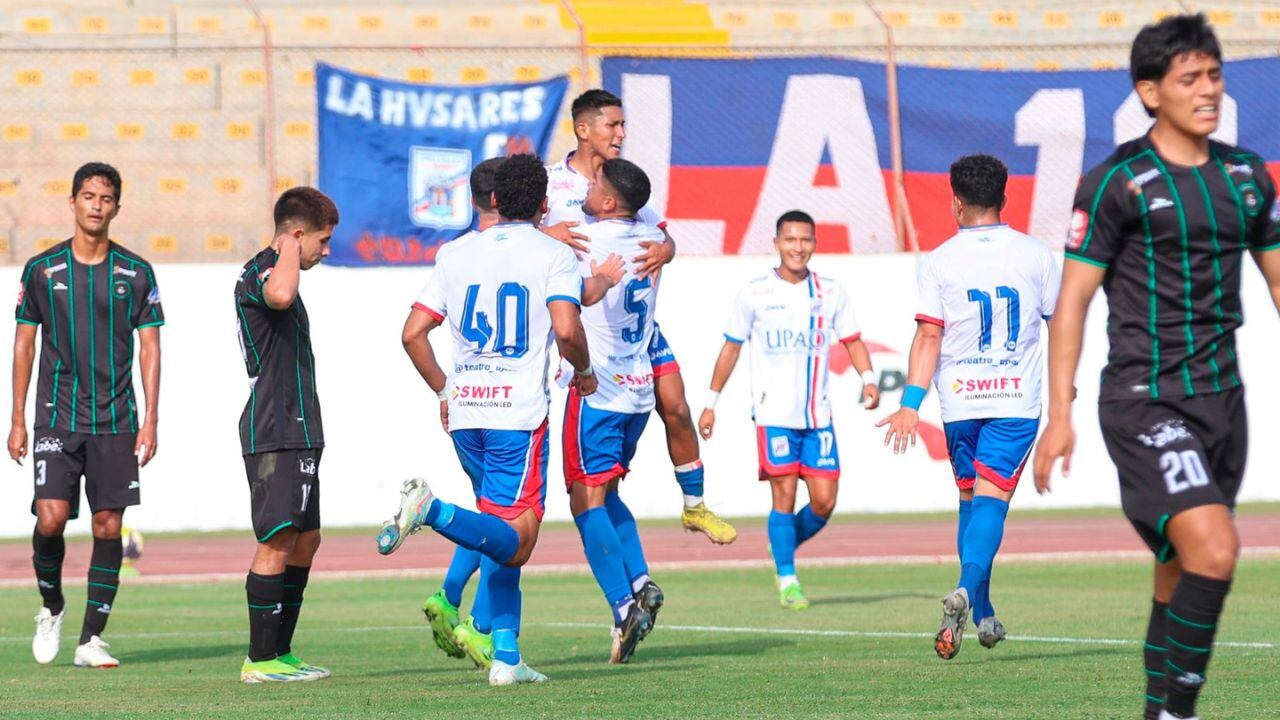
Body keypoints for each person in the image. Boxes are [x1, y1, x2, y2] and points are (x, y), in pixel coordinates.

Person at [1033, 14, 1280, 720]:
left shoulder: (1246, 176)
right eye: (1189, 79)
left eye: (1214, 75)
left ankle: (1153, 711)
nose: (1208, 91)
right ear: (1149, 91)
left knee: (1177, 574)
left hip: (1224, 405)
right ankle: (1178, 713)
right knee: (1215, 550)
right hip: (1145, 403)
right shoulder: (1117, 182)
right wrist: (1060, 416)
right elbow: (1074, 302)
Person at [376, 153, 597, 686]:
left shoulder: (455, 253)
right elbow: (566, 328)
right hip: (517, 416)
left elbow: (412, 333)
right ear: (544, 203)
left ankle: (506, 655)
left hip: (467, 410)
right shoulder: (553, 253)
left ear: (495, 199)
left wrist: (445, 388)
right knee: (516, 540)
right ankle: (433, 511)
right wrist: (585, 371)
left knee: (500, 530)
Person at [877, 154, 1060, 659]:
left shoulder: (938, 259)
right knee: (991, 504)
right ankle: (965, 591)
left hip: (961, 400)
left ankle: (981, 611)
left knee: (970, 503)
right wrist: (1063, 398)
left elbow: (929, 335)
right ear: (1005, 197)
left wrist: (910, 404)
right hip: (1015, 399)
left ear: (955, 202)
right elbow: (1057, 326)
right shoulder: (1037, 255)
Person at [542, 89, 737, 545]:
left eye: (624, 124)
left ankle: (695, 505)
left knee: (677, 406)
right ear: (584, 129)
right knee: (600, 483)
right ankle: (626, 575)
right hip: (590, 323)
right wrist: (544, 231)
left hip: (637, 327)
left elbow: (661, 236)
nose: (622, 133)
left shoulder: (621, 182)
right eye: (613, 124)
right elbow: (517, 231)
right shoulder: (554, 184)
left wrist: (666, 251)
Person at [11, 162, 163, 669]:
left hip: (117, 420)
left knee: (106, 526)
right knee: (51, 519)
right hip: (56, 416)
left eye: (106, 198)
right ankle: (52, 606)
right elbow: (24, 344)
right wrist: (16, 417)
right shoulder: (41, 269)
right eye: (88, 196)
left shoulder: (137, 272)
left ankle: (90, 639)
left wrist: (152, 418)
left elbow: (150, 348)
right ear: (73, 202)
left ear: (117, 206)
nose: (97, 205)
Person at [698, 210, 880, 609]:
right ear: (777, 243)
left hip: (818, 415)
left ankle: (781, 546)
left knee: (824, 501)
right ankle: (787, 579)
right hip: (773, 415)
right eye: (791, 240)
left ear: (814, 244)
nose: (798, 248)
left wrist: (868, 376)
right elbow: (731, 347)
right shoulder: (755, 292)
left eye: (806, 240)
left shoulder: (830, 292)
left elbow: (851, 339)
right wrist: (711, 403)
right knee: (783, 497)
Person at [563, 158, 668, 663]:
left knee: (584, 503)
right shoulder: (650, 238)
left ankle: (623, 604)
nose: (586, 188)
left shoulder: (589, 242)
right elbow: (669, 239)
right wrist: (668, 248)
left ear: (608, 202)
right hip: (639, 389)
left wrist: (549, 235)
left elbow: (577, 295)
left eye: (594, 185)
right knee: (606, 494)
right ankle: (642, 580)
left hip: (597, 390)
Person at [234, 187, 339, 683]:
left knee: (306, 538)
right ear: (297, 236)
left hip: (298, 427)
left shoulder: (280, 272)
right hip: (274, 429)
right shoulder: (263, 272)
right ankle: (260, 660)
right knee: (277, 538)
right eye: (322, 240)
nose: (326, 250)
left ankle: (281, 650)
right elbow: (279, 294)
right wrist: (290, 253)